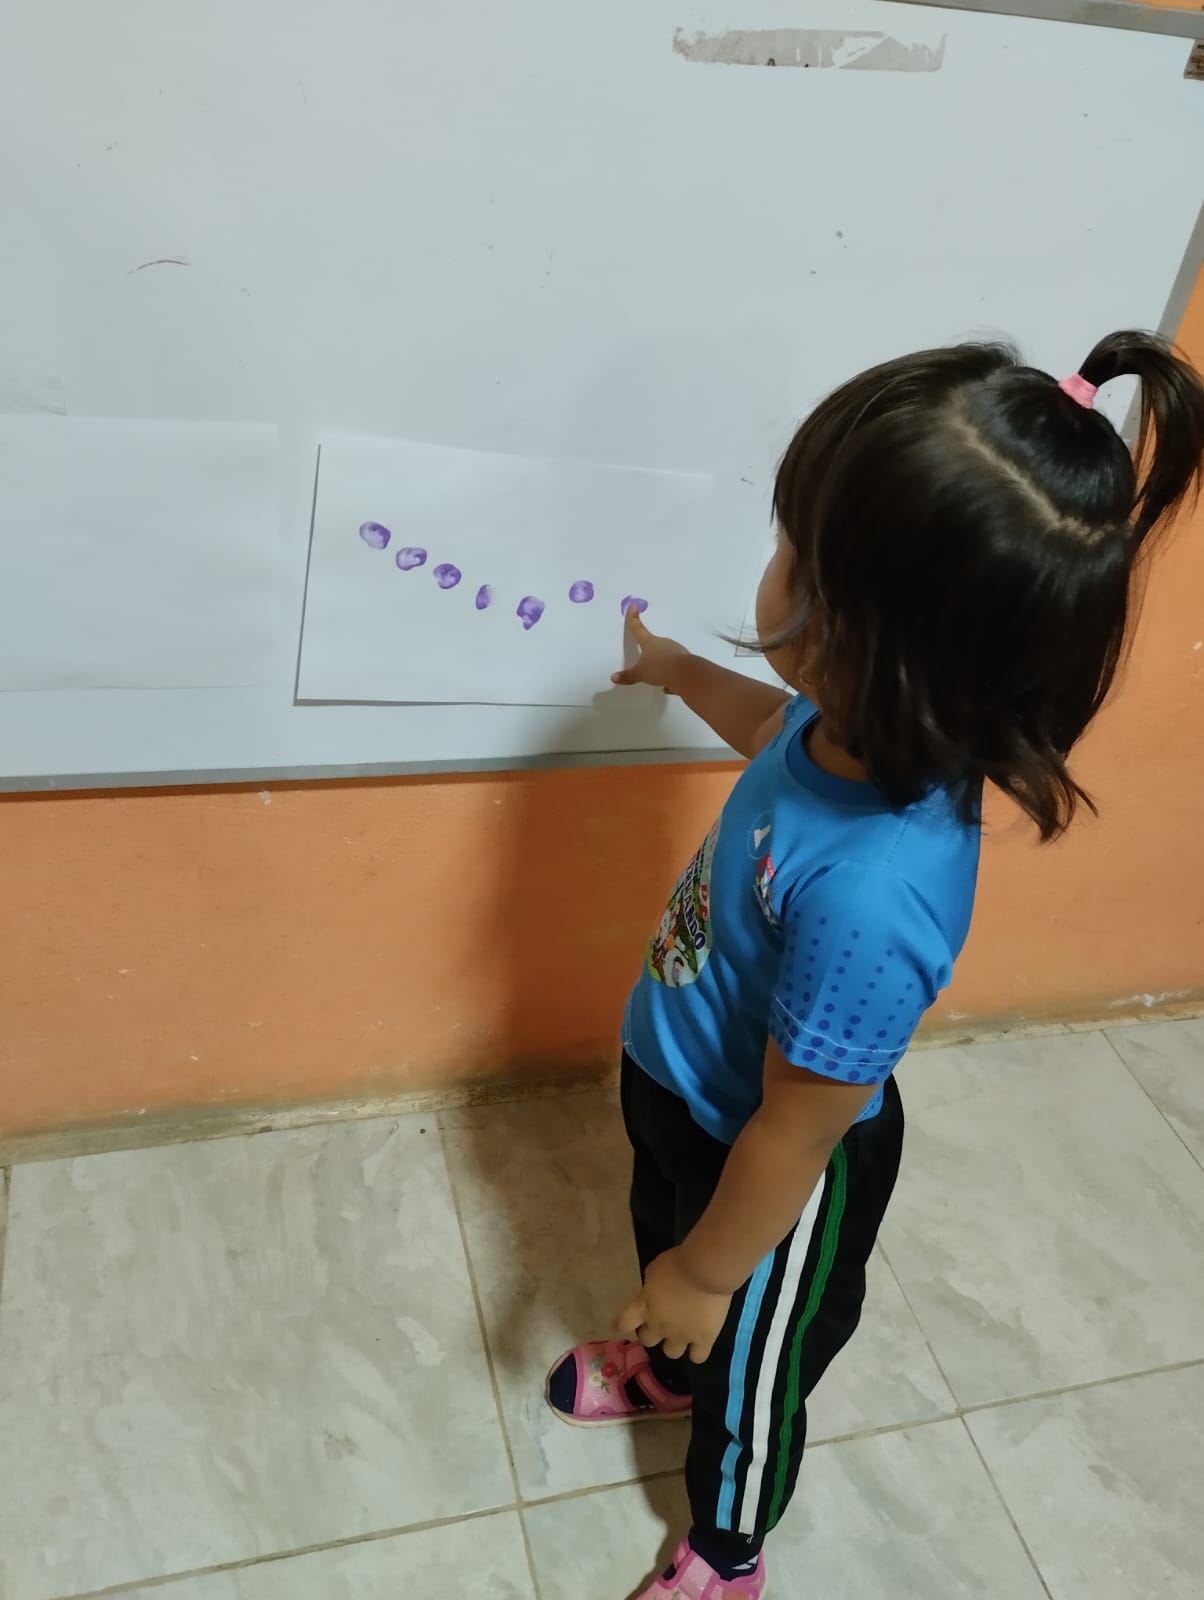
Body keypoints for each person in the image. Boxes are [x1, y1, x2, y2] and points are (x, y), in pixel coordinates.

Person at [545, 332, 1204, 1598]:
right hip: (688, 1084)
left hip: (778, 1164)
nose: (771, 566)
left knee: (754, 1360)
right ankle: (671, 1358)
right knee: (664, 1237)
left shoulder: (874, 895)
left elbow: (800, 1130)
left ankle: (726, 1548)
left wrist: (711, 1271)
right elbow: (767, 728)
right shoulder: (842, 723)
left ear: (866, 643)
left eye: (795, 552)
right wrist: (677, 668)